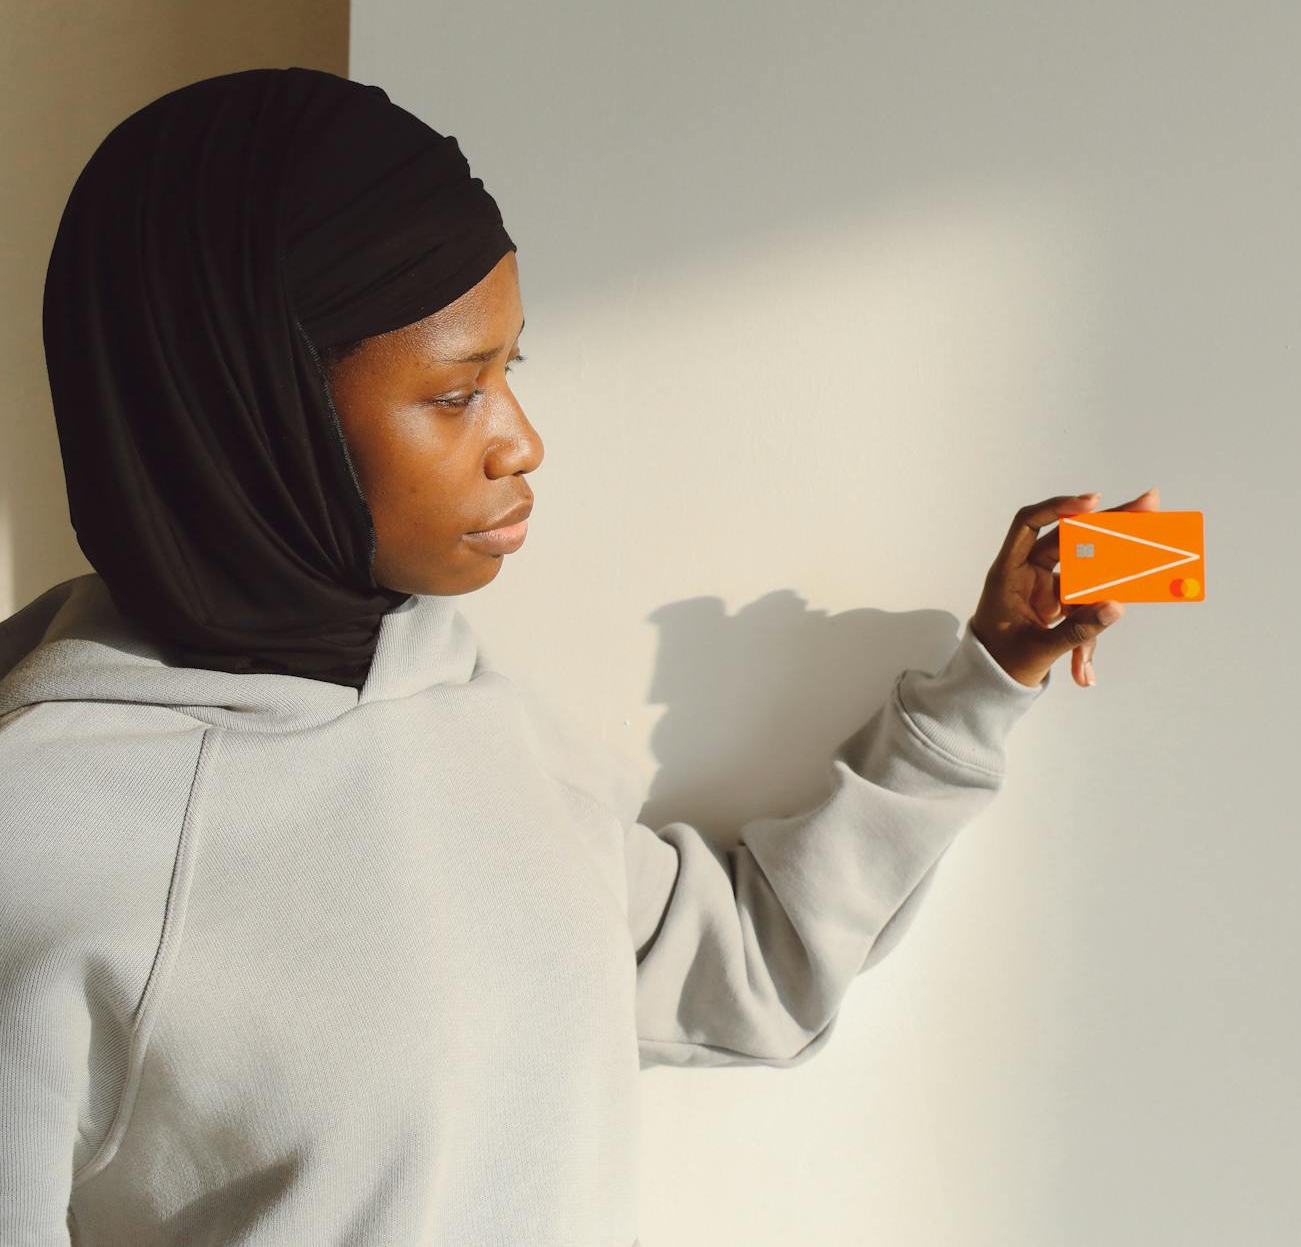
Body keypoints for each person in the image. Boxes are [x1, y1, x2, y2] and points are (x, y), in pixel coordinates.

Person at [0, 67, 1143, 1244]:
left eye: (512, 370)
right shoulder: (48, 827)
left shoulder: (464, 705)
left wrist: (986, 676)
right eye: (455, 395)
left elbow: (742, 972)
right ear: (246, 408)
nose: (521, 441)